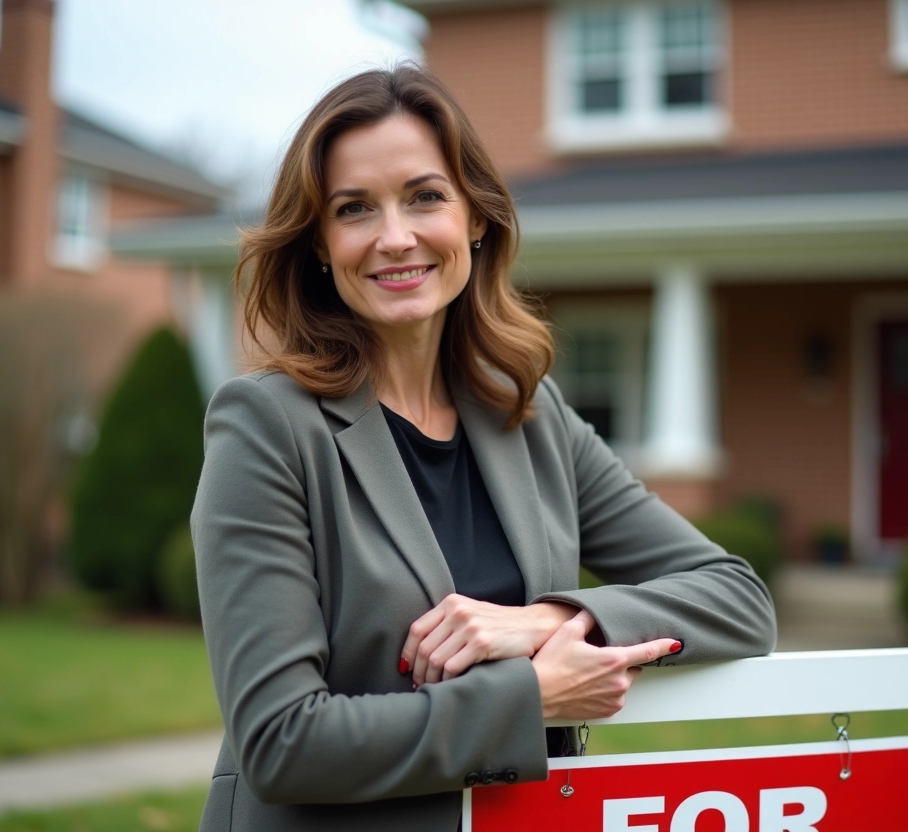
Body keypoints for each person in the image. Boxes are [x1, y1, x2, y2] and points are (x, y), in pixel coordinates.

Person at [191, 64, 777, 832]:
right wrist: (530, 697)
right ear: (320, 245)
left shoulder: (527, 417)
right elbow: (280, 742)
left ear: (474, 218)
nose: (395, 237)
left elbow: (738, 599)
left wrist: (546, 621)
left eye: (425, 197)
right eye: (354, 208)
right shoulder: (266, 427)